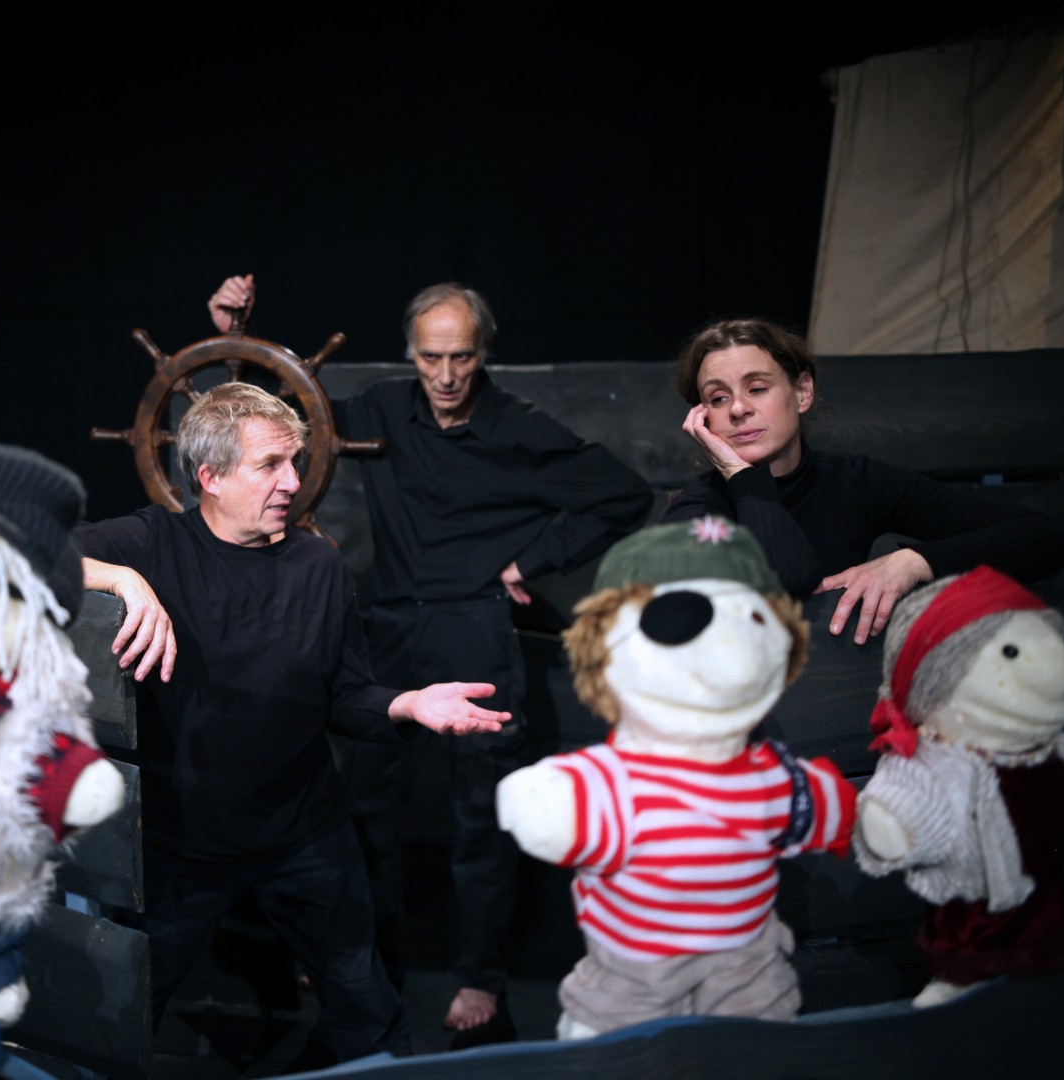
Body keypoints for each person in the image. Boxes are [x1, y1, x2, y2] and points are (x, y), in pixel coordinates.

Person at [206, 276, 655, 1039]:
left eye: (461, 358)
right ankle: (370, 961)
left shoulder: (518, 427)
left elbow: (624, 493)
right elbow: (283, 418)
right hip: (386, 631)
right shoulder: (384, 407)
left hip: (473, 627)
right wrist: (234, 341)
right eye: (430, 357)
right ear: (410, 353)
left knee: (480, 815)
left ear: (483, 354)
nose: (445, 376)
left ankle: (481, 978)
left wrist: (529, 562)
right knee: (366, 809)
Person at [72, 382, 510, 1063]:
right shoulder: (152, 543)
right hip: (179, 846)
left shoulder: (318, 564)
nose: (294, 482)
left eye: (295, 463)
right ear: (211, 477)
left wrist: (408, 704)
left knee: (365, 1002)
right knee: (122, 1013)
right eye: (270, 465)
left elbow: (345, 697)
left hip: (305, 836)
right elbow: (21, 549)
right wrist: (122, 580)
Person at [661, 317, 1064, 644]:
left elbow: (1048, 537)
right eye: (719, 398)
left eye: (757, 388)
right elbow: (787, 581)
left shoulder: (853, 480)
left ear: (802, 392)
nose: (738, 409)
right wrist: (742, 477)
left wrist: (914, 562)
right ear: (703, 419)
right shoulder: (696, 511)